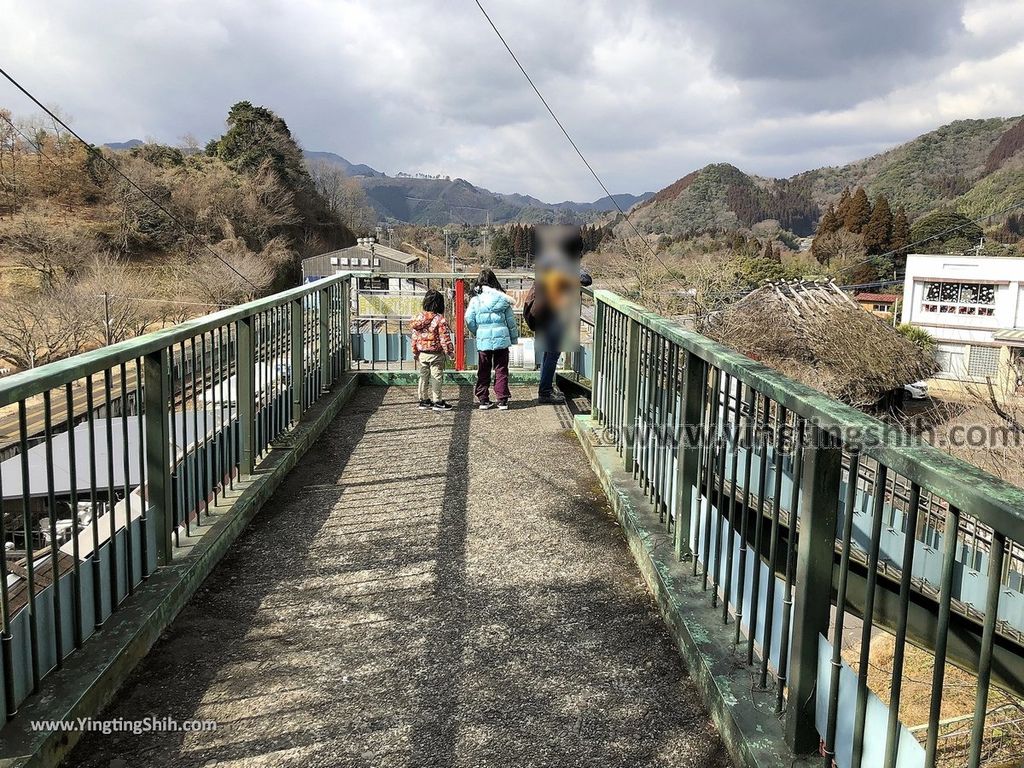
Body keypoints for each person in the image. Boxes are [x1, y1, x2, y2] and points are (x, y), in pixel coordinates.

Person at [524, 226, 592, 404]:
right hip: (555, 317)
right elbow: (586, 279)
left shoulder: (550, 260)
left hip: (543, 314)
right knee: (552, 355)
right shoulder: (566, 265)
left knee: (548, 354)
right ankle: (545, 392)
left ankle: (545, 387)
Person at [465, 268, 518, 410]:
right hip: (502, 340)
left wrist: (478, 331)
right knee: (501, 369)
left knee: (483, 369)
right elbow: (511, 322)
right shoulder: (502, 299)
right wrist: (513, 339)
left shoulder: (476, 300)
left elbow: (469, 319)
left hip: (484, 340)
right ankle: (502, 399)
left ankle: (483, 399)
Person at [409, 289, 455, 412]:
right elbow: (444, 338)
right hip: (436, 354)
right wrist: (450, 352)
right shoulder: (439, 319)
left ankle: (423, 400)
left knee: (423, 377)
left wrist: (414, 351)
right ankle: (437, 401)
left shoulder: (418, 319)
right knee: (436, 377)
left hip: (422, 354)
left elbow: (414, 337)